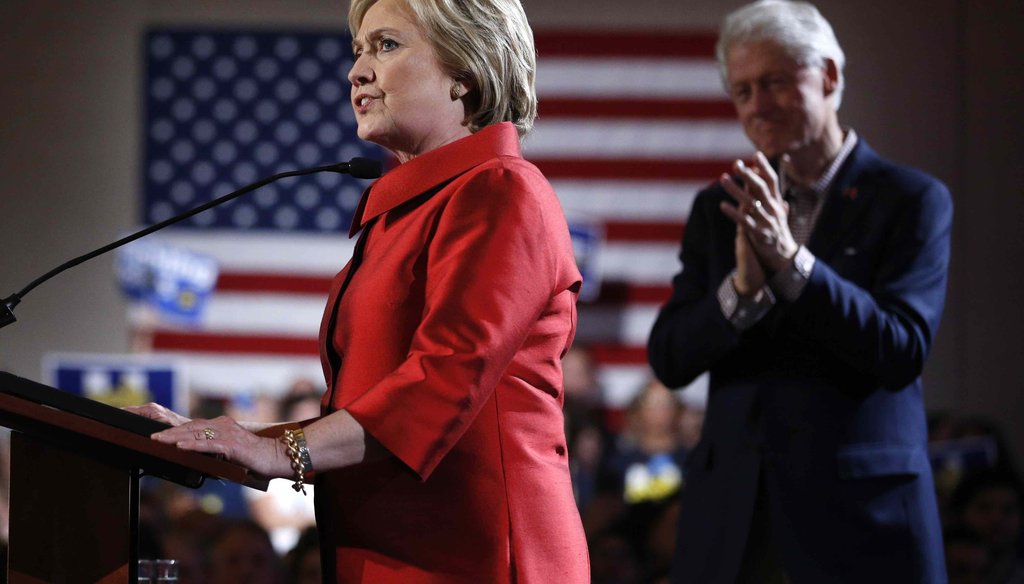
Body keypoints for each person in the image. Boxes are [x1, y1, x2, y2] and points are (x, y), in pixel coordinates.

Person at [126, 0, 590, 582]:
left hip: (479, 556)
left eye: (386, 46)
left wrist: (276, 450)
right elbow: (362, 411)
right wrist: (227, 440)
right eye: (358, 51)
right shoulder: (405, 212)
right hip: (388, 552)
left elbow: (444, 379)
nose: (357, 72)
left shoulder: (500, 191)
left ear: (466, 70)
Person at [646, 1, 953, 582]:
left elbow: (901, 348)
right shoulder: (719, 209)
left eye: (775, 83)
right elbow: (670, 355)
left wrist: (792, 264)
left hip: (862, 523)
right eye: (742, 91)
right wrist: (741, 292)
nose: (757, 106)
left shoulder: (911, 200)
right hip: (733, 524)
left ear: (830, 78)